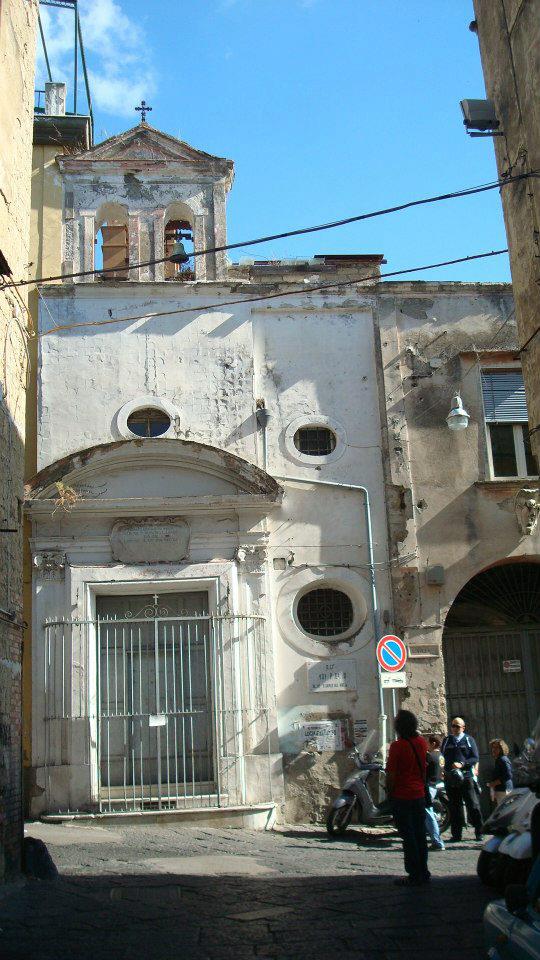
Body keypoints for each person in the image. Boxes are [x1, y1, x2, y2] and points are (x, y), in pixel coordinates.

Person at [386, 709, 430, 886]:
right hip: (418, 794)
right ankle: (424, 870)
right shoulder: (421, 743)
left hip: (402, 795)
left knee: (408, 835)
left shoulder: (397, 746)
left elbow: (391, 775)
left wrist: (389, 793)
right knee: (420, 834)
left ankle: (414, 873)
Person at [441, 716, 483, 842]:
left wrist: (462, 764)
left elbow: (475, 758)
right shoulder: (447, 740)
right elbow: (442, 756)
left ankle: (479, 832)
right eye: (453, 726)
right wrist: (443, 770)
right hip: (451, 778)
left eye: (457, 726)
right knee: (455, 806)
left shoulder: (469, 740)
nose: (455, 728)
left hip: (465, 777)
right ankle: (456, 834)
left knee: (473, 805)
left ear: (463, 728)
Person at [425, 735, 445, 851]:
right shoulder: (441, 756)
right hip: (437, 784)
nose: (427, 745)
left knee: (428, 812)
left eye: (428, 743)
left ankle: (437, 841)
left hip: (429, 785)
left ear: (433, 744)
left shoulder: (430, 756)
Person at [487, 738, 513, 805]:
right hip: (501, 790)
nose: (494, 749)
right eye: (493, 747)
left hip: (505, 790)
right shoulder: (498, 759)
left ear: (502, 748)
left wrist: (494, 783)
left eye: (497, 747)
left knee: (505, 811)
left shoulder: (502, 759)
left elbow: (508, 775)